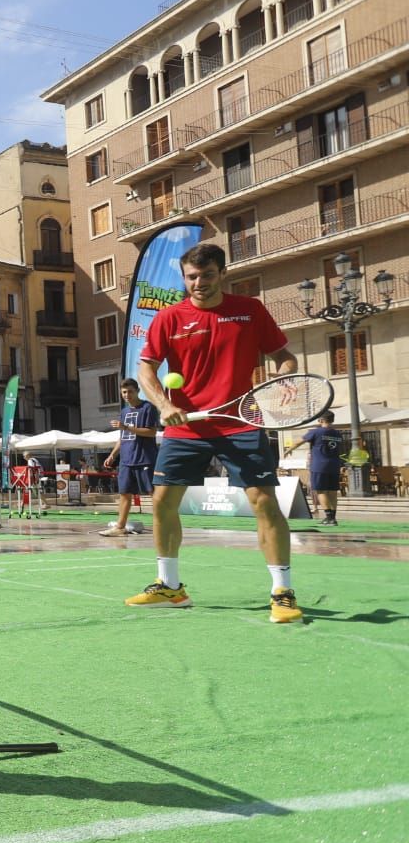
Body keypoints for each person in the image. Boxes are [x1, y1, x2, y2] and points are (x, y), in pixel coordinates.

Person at [126, 242, 303, 624]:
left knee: (264, 503)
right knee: (161, 502)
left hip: (240, 421)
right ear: (184, 277)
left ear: (222, 273)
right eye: (192, 276)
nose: (199, 283)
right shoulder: (169, 318)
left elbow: (284, 356)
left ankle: (282, 592)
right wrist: (164, 405)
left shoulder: (249, 311)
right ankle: (171, 587)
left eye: (207, 275)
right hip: (184, 426)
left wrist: (285, 375)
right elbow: (145, 370)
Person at [100, 378, 160, 537]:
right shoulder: (124, 412)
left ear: (137, 390)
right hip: (126, 460)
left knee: (153, 494)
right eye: (124, 392)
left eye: (130, 391)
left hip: (145, 458)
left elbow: (151, 432)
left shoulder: (148, 408)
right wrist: (113, 455)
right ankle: (120, 527)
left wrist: (126, 427)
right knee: (124, 494)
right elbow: (123, 436)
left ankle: (161, 525)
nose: (127, 395)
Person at [302, 410, 344, 525]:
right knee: (332, 492)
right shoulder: (337, 433)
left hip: (319, 465)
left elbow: (299, 441)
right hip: (334, 465)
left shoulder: (315, 432)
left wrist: (288, 450)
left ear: (320, 420)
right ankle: (333, 518)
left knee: (320, 490)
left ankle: (328, 517)